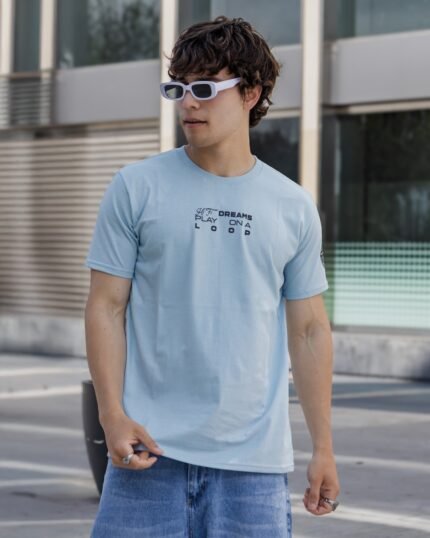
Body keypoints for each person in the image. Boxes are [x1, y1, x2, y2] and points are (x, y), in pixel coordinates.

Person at [84, 16, 340, 537]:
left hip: (253, 469)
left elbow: (310, 330)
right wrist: (111, 415)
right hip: (147, 455)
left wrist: (324, 447)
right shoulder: (136, 188)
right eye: (178, 89)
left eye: (204, 88)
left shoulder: (292, 206)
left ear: (251, 93)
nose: (188, 104)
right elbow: (105, 306)